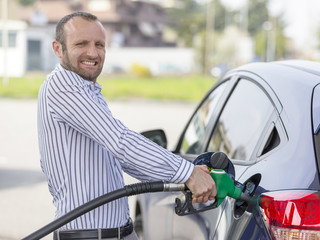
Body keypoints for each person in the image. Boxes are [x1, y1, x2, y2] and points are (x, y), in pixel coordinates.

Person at [37, 11, 216, 240]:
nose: (93, 53)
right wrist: (187, 173)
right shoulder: (63, 87)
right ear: (58, 49)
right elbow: (120, 141)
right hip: (91, 236)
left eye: (99, 44)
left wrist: (185, 177)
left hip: (117, 232)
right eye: (81, 43)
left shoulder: (86, 89)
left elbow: (122, 158)